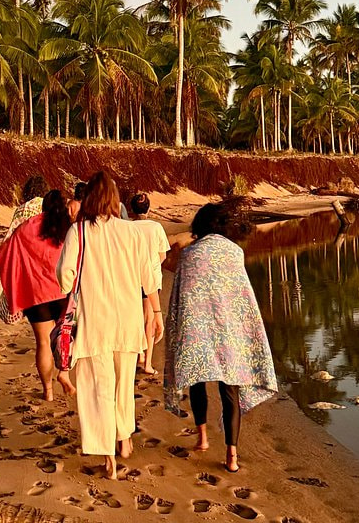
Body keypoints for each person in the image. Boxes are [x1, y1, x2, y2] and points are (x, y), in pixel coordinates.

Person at [57, 171, 162, 480]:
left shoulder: (78, 232)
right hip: (127, 322)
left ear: (89, 198)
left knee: (97, 389)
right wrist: (156, 313)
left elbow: (64, 277)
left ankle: (108, 458)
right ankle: (124, 438)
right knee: (123, 386)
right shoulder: (132, 233)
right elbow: (149, 278)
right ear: (115, 200)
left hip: (94, 323)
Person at [164, 198, 277, 473]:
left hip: (197, 329)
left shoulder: (190, 254)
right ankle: (232, 455)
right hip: (229, 330)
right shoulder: (234, 252)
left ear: (199, 226)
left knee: (197, 381)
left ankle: (202, 438)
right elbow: (241, 297)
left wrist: (178, 328)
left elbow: (180, 296)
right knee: (230, 389)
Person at [0, 188, 76, 402]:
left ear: (42, 206)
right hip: (63, 291)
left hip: (35, 294)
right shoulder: (69, 228)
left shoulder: (27, 227)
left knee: (43, 342)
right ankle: (64, 373)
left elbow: (6, 256)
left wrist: (15, 287)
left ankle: (48, 391)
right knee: (65, 336)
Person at [128, 192, 171, 378]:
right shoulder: (156, 227)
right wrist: (152, 267)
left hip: (131, 278)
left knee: (135, 317)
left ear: (132, 209)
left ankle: (139, 354)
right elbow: (162, 255)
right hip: (152, 279)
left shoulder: (128, 227)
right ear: (149, 208)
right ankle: (147, 363)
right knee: (149, 319)